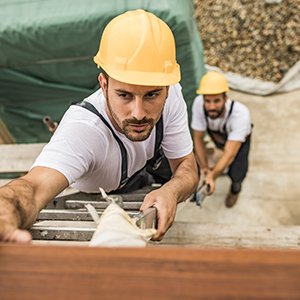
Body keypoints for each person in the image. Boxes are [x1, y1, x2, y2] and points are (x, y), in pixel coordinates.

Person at [0, 9, 198, 243]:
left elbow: (186, 165)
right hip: (111, 187)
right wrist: (4, 215)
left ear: (167, 86)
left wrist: (171, 190)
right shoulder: (84, 129)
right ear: (103, 85)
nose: (139, 113)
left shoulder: (171, 94)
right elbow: (32, 189)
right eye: (124, 95)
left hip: (146, 162)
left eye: (152, 95)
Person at [191, 71, 252, 207]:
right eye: (208, 101)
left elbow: (230, 154)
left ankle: (235, 190)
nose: (211, 107)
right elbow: (198, 138)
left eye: (217, 101)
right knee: (200, 159)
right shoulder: (198, 104)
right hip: (219, 136)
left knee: (237, 171)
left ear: (225, 98)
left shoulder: (240, 115)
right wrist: (205, 168)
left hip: (239, 141)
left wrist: (212, 176)